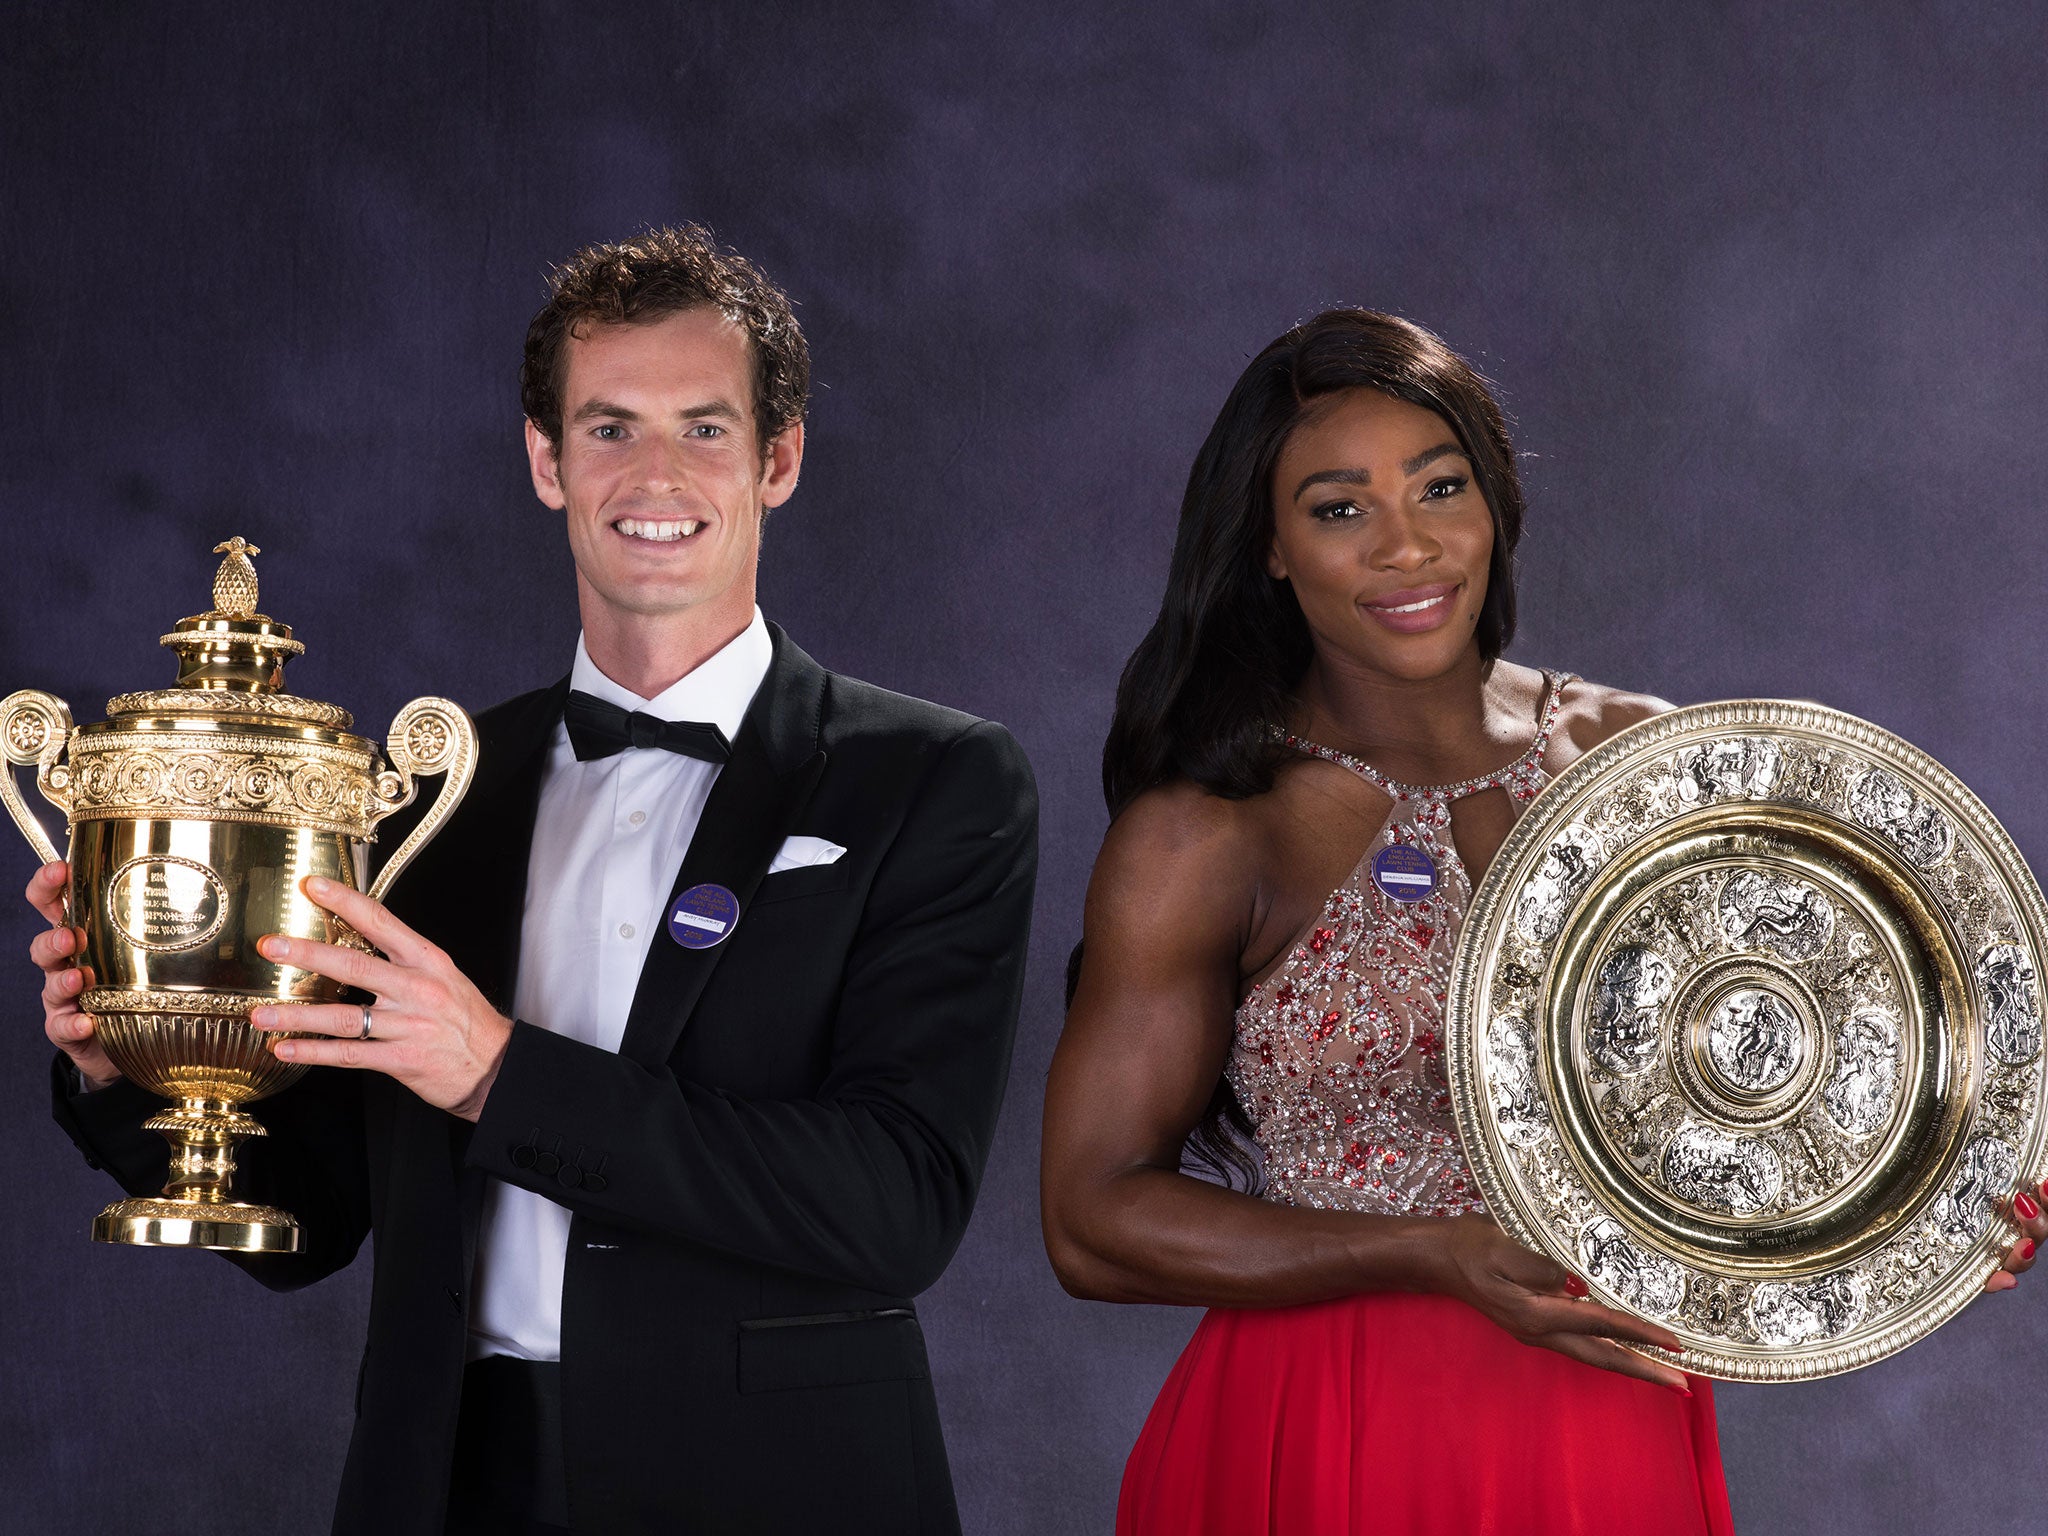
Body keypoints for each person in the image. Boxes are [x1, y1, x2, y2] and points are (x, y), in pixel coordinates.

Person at [32, 225, 1038, 1536]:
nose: (654, 475)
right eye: (609, 428)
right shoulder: (424, 797)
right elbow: (319, 1220)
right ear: (545, 460)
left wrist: (503, 1075)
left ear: (778, 458)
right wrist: (131, 1071)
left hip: (778, 1488)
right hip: (450, 1483)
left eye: (705, 428)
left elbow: (896, 1204)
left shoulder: (936, 780)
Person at [1038, 309, 2046, 1535]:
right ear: (1269, 548)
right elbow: (1091, 1224)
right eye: (1339, 508)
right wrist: (1422, 1250)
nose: (1406, 548)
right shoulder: (1209, 829)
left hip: (1605, 1423)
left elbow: (1805, 1059)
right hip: (1328, 1425)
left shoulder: (1644, 758)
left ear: (1495, 502)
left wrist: (1946, 1206)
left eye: (1438, 487)